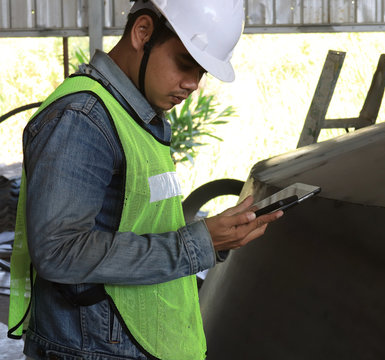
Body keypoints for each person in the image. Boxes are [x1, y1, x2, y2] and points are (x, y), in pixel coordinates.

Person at [8, 1, 282, 359]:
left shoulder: (136, 118)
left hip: (133, 340)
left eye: (202, 73)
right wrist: (195, 245)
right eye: (185, 64)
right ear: (143, 33)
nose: (193, 85)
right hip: (93, 347)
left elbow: (139, 220)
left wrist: (215, 238)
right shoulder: (83, 118)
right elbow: (59, 252)